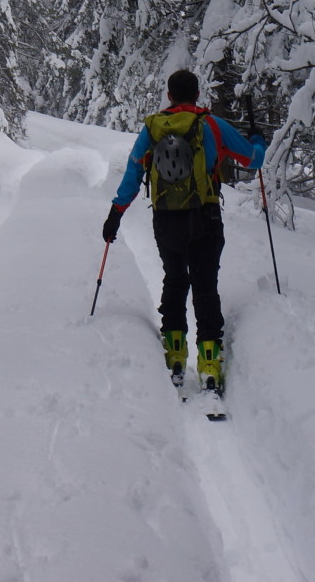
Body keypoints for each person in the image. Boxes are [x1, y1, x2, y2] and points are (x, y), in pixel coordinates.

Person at [100, 69, 264, 393]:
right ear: (198, 94)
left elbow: (133, 172)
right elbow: (253, 160)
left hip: (166, 220)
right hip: (205, 217)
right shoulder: (211, 125)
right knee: (205, 286)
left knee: (175, 280)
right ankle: (209, 363)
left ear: (170, 96)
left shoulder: (153, 128)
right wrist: (257, 139)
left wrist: (116, 213)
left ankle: (175, 355)